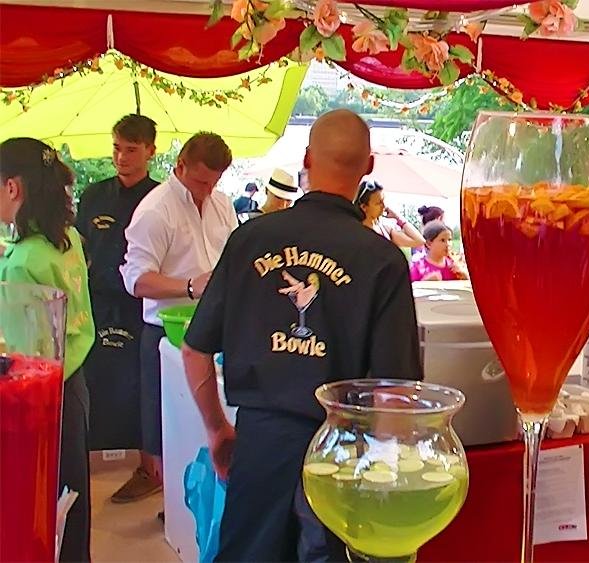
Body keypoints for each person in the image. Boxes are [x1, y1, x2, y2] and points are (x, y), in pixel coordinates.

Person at [181, 109, 422, 561]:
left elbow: (195, 350)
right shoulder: (383, 260)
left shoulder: (250, 239)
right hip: (342, 454)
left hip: (259, 443)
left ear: (307, 159)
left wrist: (217, 430)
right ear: (368, 166)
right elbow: (394, 394)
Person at [121, 132, 237, 519]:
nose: (207, 190)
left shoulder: (222, 204)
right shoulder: (155, 210)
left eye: (214, 182)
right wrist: (189, 286)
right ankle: (174, 507)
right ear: (180, 166)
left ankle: (204, 503)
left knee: (209, 420)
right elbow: (136, 280)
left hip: (215, 327)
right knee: (168, 426)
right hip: (167, 332)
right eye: (201, 181)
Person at [0, 138, 96, 562]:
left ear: (13, 188)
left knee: (38, 504)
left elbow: (22, 353)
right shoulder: (67, 237)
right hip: (73, 381)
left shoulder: (22, 262)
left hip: (37, 400)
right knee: (71, 496)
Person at [75, 114, 162, 502]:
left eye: (131, 149)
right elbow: (78, 247)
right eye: (116, 148)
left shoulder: (159, 200)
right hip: (95, 303)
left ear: (150, 151)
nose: (121, 157)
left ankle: (150, 467)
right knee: (97, 379)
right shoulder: (94, 196)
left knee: (141, 386)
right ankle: (89, 460)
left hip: (140, 307)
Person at [356, 180, 425, 249]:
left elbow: (419, 241)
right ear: (364, 207)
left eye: (383, 200)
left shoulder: (385, 230)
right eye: (379, 203)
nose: (384, 206)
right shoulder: (356, 232)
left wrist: (397, 217)